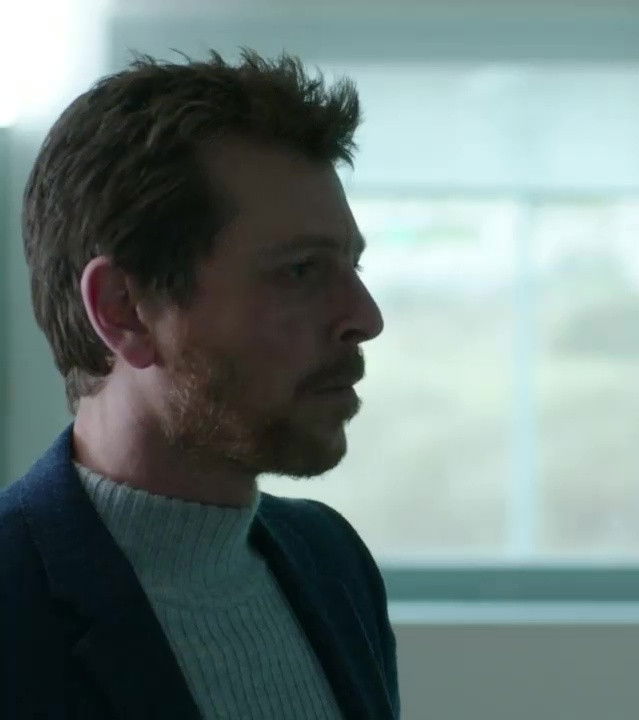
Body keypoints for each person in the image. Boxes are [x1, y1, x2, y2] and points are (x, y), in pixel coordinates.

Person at [0, 52, 398, 718]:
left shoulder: (333, 563)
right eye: (301, 272)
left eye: (352, 267)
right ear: (125, 310)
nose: (365, 317)